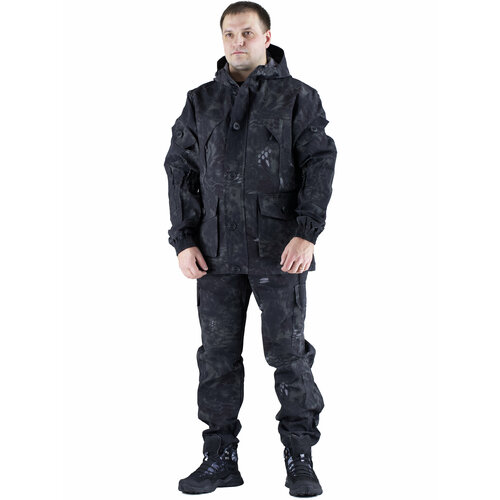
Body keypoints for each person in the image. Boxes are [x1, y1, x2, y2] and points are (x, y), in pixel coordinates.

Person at [163, 2, 337, 496]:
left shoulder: (298, 97)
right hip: (215, 255)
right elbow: (180, 170)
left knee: (288, 355)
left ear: (266, 37)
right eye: (229, 34)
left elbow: (319, 162)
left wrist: (307, 232)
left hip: (280, 252)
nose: (237, 42)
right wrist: (183, 239)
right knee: (217, 358)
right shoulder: (200, 101)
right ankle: (219, 458)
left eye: (246, 33)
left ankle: (300, 457)